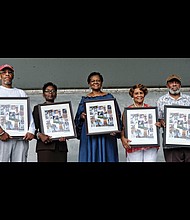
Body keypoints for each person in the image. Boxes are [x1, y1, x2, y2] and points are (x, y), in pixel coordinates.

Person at [74, 71, 122, 162]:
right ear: (89, 83)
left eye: (98, 80)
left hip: (107, 134)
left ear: (101, 82)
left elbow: (116, 115)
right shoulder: (85, 99)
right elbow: (78, 118)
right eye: (93, 81)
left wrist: (115, 129)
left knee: (108, 156)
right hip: (89, 135)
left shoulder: (109, 97)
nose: (95, 82)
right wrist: (82, 116)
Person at [0, 64, 35, 162]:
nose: (7, 74)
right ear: (0, 76)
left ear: (13, 75)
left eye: (10, 72)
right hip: (2, 138)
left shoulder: (20, 92)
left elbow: (28, 114)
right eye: (4, 72)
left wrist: (31, 130)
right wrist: (1, 132)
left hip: (20, 137)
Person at [121, 84, 161, 162]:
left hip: (150, 145)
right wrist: (123, 138)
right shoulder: (127, 111)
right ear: (132, 95)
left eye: (141, 93)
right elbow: (123, 127)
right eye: (136, 93)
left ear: (144, 94)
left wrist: (157, 124)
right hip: (133, 145)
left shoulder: (150, 109)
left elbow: (156, 125)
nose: (139, 95)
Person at [156, 74, 190, 162]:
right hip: (171, 143)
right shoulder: (161, 100)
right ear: (167, 85)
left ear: (180, 85)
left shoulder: (188, 99)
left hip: (188, 142)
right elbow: (159, 118)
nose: (174, 84)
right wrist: (162, 122)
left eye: (177, 82)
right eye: (171, 82)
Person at [32, 82, 68, 162]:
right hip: (45, 148)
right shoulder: (37, 109)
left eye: (53, 91)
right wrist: (40, 135)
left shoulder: (63, 109)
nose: (50, 93)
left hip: (60, 148)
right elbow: (31, 129)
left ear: (56, 94)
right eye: (47, 91)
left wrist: (66, 135)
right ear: (43, 94)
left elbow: (68, 126)